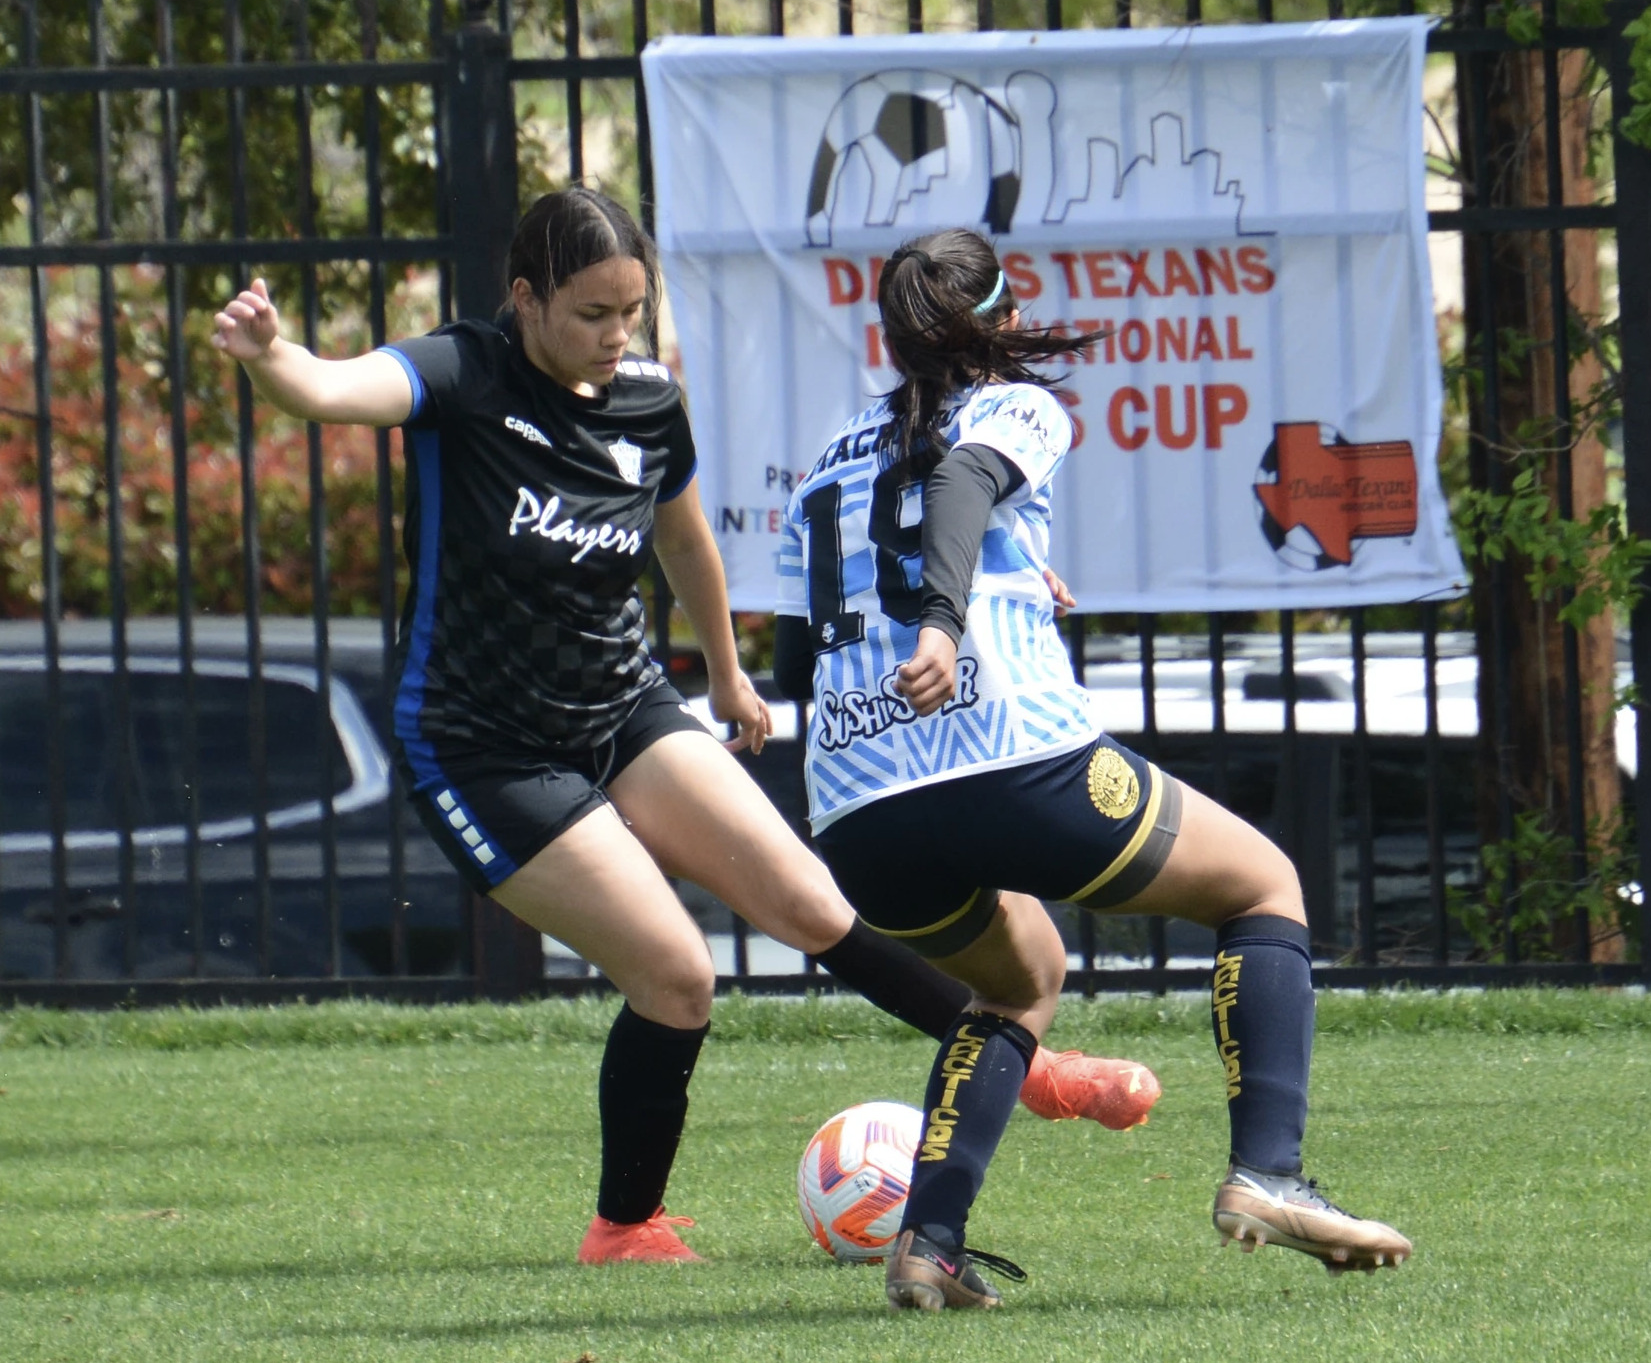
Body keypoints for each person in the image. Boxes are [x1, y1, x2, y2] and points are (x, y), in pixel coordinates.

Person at [210, 188, 1159, 1267]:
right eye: (592, 313)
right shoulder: (463, 374)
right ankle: (624, 1227)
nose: (619, 336)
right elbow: (331, 389)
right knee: (677, 972)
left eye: (634, 309)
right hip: (484, 749)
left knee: (811, 899)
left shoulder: (647, 397)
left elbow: (687, 540)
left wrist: (724, 668)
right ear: (525, 300)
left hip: (623, 706)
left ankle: (1022, 1065)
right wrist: (270, 356)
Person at [773, 227, 1412, 1311]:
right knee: (1263, 885)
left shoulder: (825, 462)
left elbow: (799, 656)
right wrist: (946, 618)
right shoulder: (1013, 408)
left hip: (858, 812)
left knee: (1017, 982)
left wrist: (1005, 578)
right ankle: (1268, 1170)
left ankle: (928, 1241)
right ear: (1003, 321)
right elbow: (968, 480)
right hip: (1010, 756)